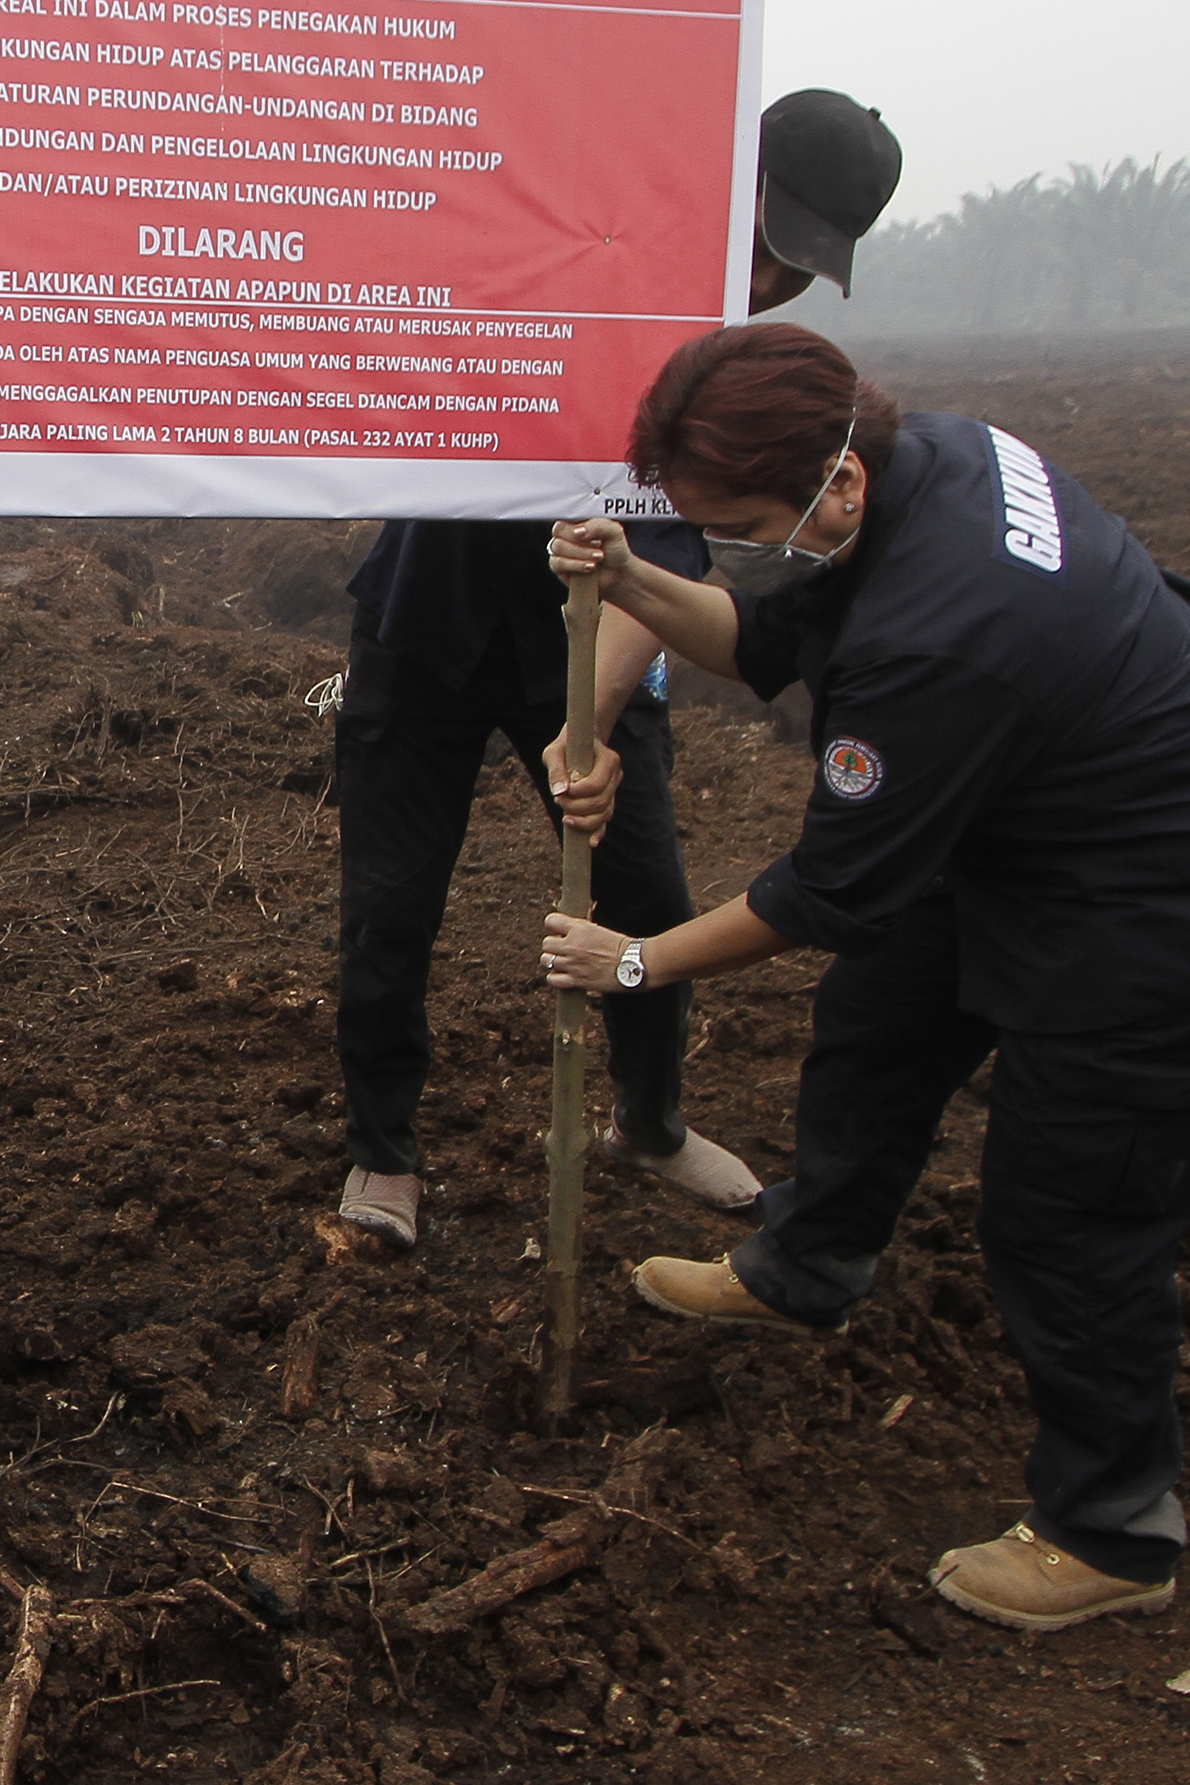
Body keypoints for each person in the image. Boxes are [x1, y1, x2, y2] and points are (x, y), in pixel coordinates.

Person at [539, 325, 1190, 1631]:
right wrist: (634, 574)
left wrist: (632, 958)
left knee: (1074, 1206)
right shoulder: (920, 458)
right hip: (1037, 812)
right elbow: (760, 636)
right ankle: (806, 1263)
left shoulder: (944, 630)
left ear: (837, 482)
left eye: (740, 521)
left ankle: (1112, 1526)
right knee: (881, 1023)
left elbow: (826, 891)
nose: (735, 541)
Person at [329, 89, 904, 1250]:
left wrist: (583, 727)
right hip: (424, 621)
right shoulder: (579, 252)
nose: (769, 278)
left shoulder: (739, 366)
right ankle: (381, 1148)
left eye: (796, 265)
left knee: (644, 899)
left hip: (595, 639)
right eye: (763, 242)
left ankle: (649, 1122)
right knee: (391, 909)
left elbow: (680, 559)